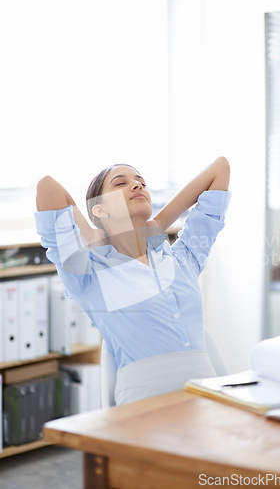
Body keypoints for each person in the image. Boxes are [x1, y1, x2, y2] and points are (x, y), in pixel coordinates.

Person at [35, 157, 231, 405]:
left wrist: (159, 223)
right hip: (144, 406)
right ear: (100, 209)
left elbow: (220, 169)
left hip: (205, 398)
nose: (137, 186)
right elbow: (47, 188)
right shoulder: (89, 273)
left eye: (141, 183)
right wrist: (91, 234)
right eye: (120, 184)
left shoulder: (183, 258)